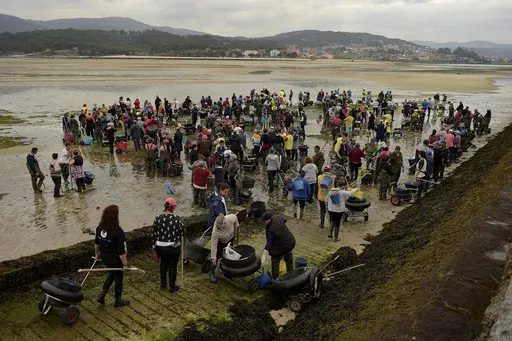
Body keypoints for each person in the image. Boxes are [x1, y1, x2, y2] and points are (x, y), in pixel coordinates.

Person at [95, 205, 130, 307]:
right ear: (114, 216)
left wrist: (97, 254)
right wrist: (124, 264)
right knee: (118, 277)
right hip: (115, 259)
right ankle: (118, 300)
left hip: (105, 258)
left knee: (111, 274)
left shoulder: (99, 228)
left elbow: (97, 243)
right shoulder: (117, 231)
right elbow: (121, 251)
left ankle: (101, 296)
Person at [151, 198, 185, 292]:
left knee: (163, 263)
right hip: (173, 248)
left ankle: (163, 284)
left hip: (160, 248)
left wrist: (154, 249)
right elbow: (183, 232)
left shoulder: (158, 218)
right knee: (173, 266)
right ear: (172, 207)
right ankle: (172, 287)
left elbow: (153, 234)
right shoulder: (177, 218)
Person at [261, 211, 296, 280]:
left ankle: (276, 279)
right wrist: (281, 226)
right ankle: (291, 275)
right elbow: (285, 219)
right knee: (288, 258)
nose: (264, 223)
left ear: (268, 220)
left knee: (275, 260)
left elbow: (269, 243)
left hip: (283, 247)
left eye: (265, 221)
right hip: (290, 242)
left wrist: (264, 254)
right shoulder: (278, 217)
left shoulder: (270, 230)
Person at [209, 213, 239, 283]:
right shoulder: (215, 232)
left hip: (230, 238)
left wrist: (236, 230)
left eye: (223, 227)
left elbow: (235, 218)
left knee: (228, 256)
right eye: (220, 228)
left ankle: (227, 272)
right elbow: (213, 245)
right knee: (217, 256)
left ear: (225, 222)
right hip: (221, 243)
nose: (221, 229)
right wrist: (213, 257)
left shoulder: (230, 218)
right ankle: (212, 272)